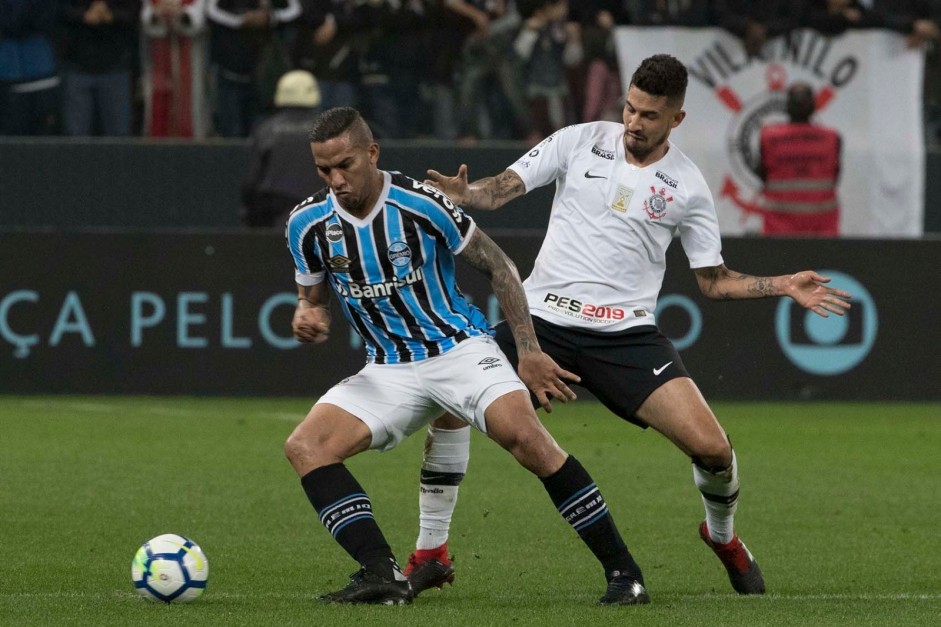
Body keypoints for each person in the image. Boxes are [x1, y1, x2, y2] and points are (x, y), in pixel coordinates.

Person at [403, 54, 852, 599]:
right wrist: (467, 195)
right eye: (631, 109)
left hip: (626, 337)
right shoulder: (579, 139)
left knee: (714, 450)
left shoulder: (686, 185)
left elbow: (712, 280)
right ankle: (431, 551)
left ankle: (724, 537)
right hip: (542, 321)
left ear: (676, 120)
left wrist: (781, 284)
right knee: (453, 406)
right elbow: (498, 190)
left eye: (650, 115)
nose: (635, 122)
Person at [283, 106, 651, 606]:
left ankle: (624, 573)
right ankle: (381, 573)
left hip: (458, 350)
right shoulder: (307, 222)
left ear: (372, 153)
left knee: (528, 440)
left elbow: (499, 266)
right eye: (324, 170)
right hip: (388, 369)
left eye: (345, 165)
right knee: (306, 446)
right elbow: (313, 298)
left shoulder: (421, 203)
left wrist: (528, 350)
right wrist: (309, 315)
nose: (336, 180)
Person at [757, 82, 841, 236]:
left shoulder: (769, 137)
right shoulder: (831, 138)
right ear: (813, 107)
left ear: (787, 106)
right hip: (822, 230)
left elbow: (762, 175)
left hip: (778, 230)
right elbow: (835, 177)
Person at [241, 69, 322, 227]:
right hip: (322, 215)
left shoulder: (266, 130)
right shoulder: (331, 130)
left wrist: (249, 216)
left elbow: (252, 180)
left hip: (277, 218)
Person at [58, 0, 141, 136]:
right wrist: (84, 15)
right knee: (75, 138)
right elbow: (59, 9)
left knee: (119, 137)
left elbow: (134, 12)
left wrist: (110, 15)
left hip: (116, 64)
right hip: (77, 64)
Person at [140, 0, 211, 138]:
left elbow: (200, 16)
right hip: (156, 52)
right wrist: (158, 11)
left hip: (191, 52)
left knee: (190, 108)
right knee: (157, 107)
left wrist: (183, 13)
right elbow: (145, 14)